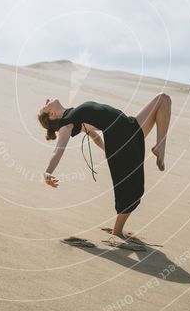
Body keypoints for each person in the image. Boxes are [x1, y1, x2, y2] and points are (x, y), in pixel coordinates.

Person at [37, 95, 172, 239]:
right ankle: (118, 231)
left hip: (127, 125)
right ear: (51, 115)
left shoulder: (73, 114)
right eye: (45, 105)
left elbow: (93, 135)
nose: (47, 100)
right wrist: (48, 171)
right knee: (132, 187)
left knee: (163, 100)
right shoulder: (66, 125)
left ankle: (160, 146)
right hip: (120, 135)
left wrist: (105, 150)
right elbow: (58, 150)